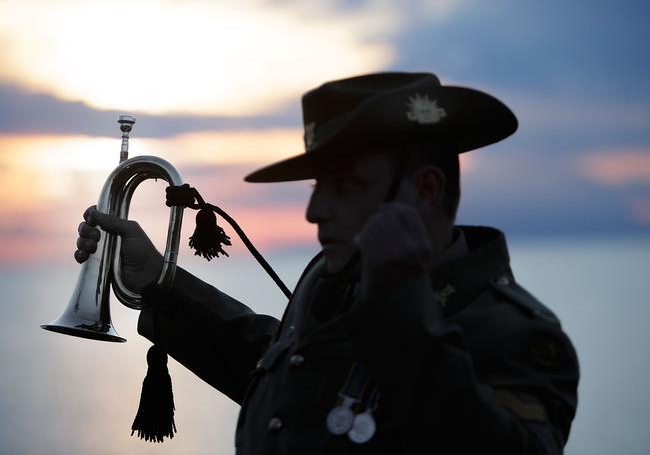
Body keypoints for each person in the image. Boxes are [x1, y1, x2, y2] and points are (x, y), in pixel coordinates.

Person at [75, 72, 579, 453]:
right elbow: (288, 379)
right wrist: (161, 283)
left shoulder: (518, 338)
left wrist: (402, 306)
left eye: (346, 186)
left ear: (425, 191)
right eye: (319, 187)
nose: (314, 211)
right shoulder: (334, 281)